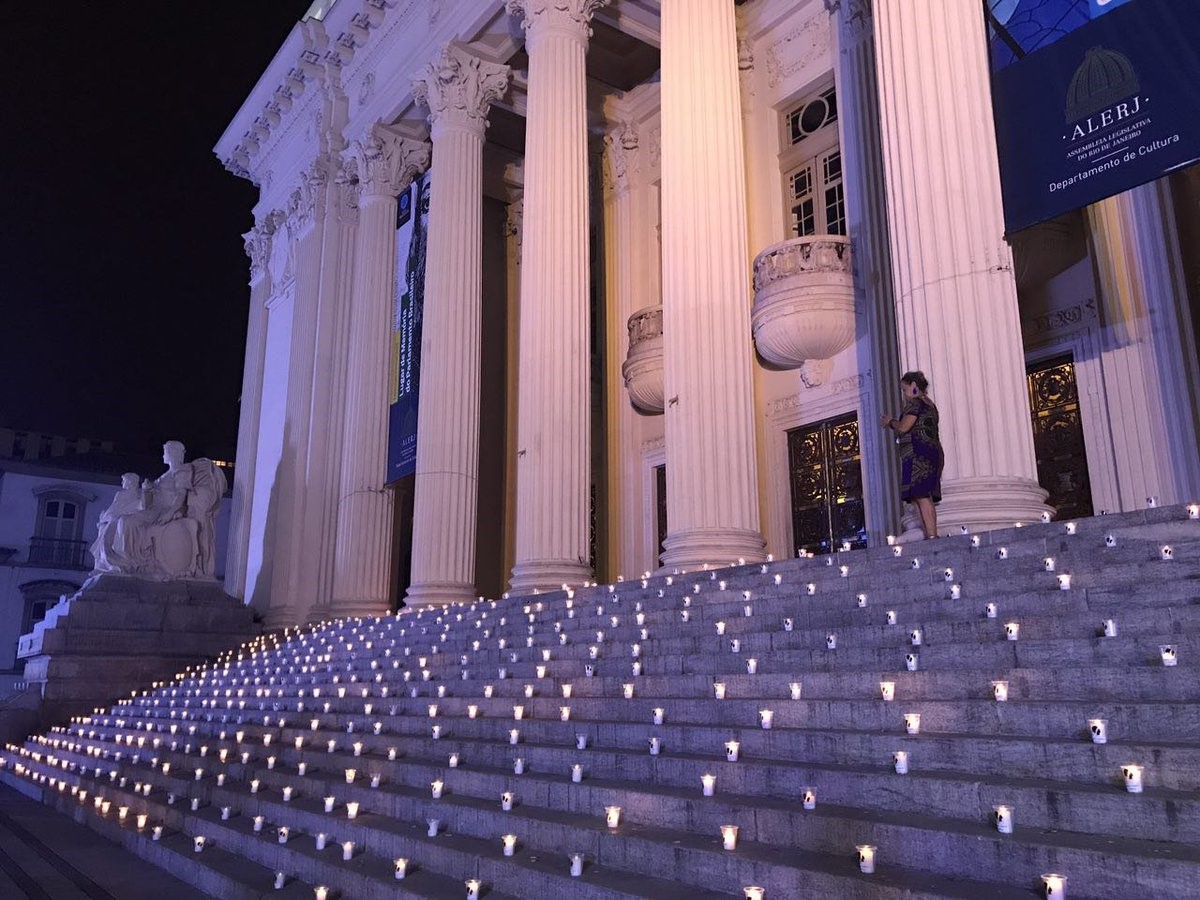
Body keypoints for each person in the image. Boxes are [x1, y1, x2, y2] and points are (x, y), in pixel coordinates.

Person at [880, 371, 944, 539]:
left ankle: (932, 535)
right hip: (927, 451)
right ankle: (928, 535)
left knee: (921, 494)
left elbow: (903, 427)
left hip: (920, 453)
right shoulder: (929, 404)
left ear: (914, 386)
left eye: (904, 389)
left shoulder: (915, 404)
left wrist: (890, 422)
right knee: (916, 496)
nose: (904, 393)